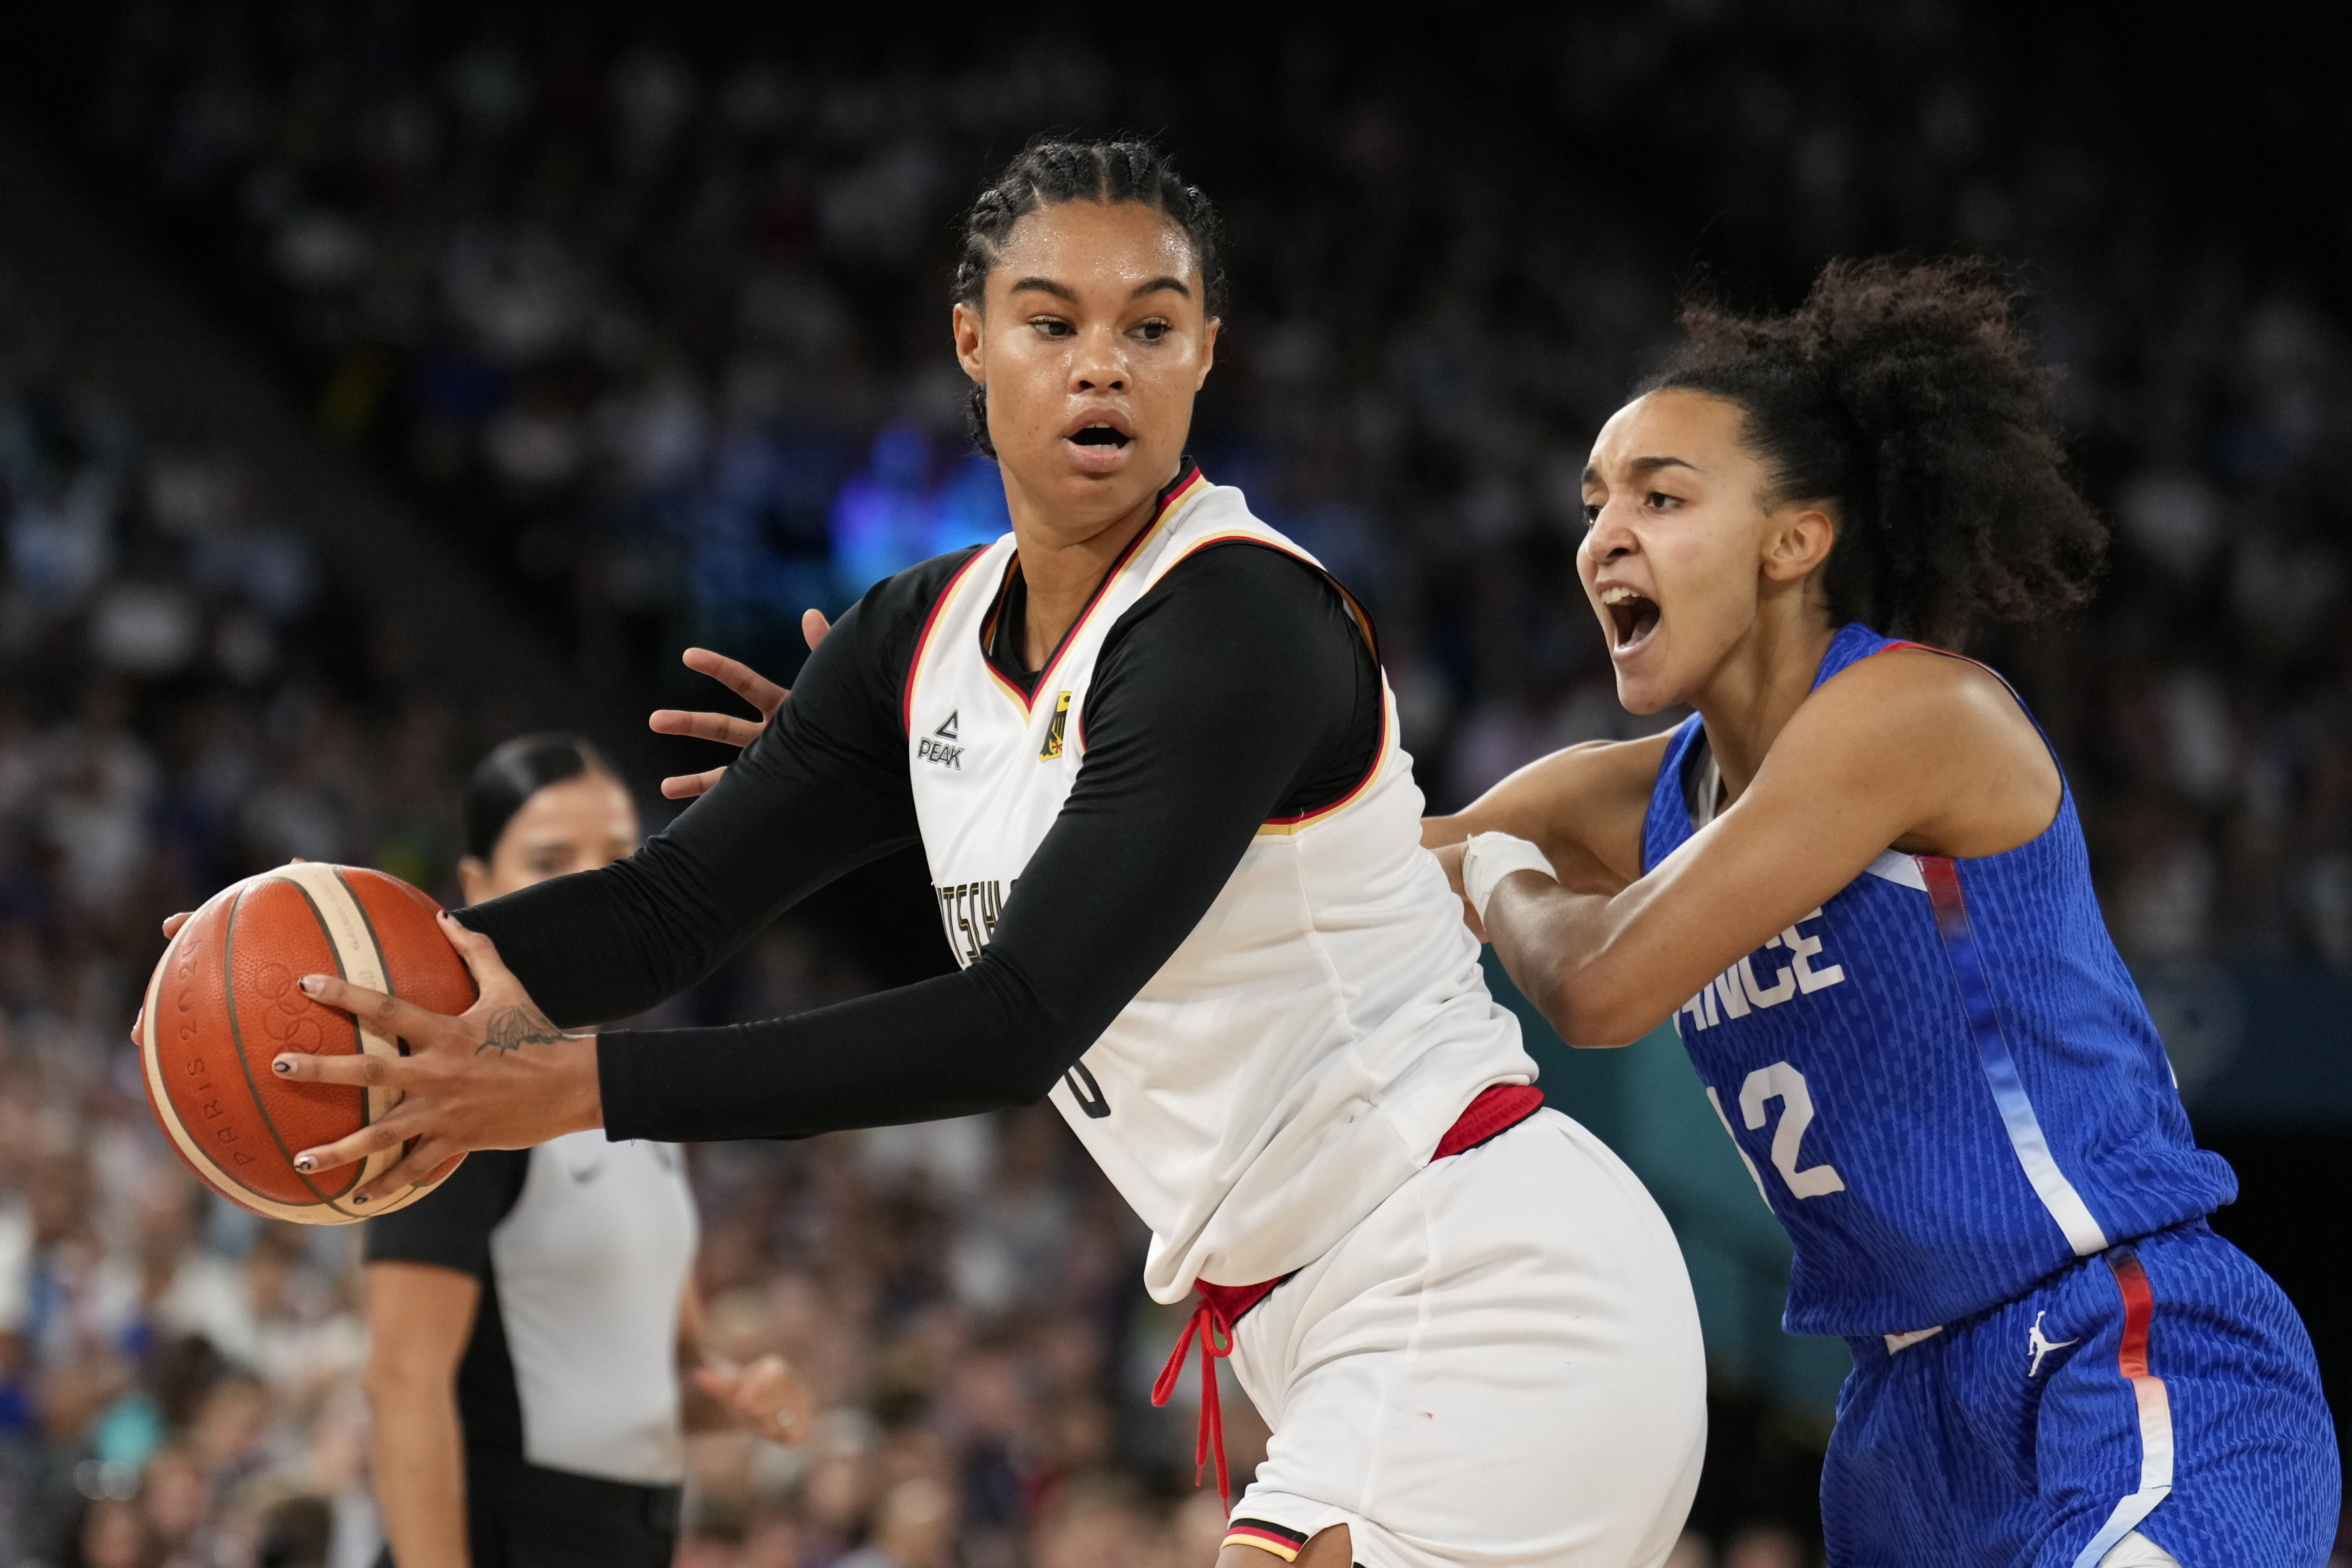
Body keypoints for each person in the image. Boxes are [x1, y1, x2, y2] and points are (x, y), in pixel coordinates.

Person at [262, 141, 1707, 1568]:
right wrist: (370, 976)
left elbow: (1015, 1022)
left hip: (1478, 1271)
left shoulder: (1238, 621)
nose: (1103, 365)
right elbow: (671, 906)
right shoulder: (918, 639)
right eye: (1051, 322)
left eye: (1149, 325)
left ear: (1205, 353)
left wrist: (568, 1086)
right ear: (972, 342)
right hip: (1329, 1314)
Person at [1421, 259, 2339, 1566]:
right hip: (1897, 1431)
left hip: (2115, 1344)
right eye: (1592, 503)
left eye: (1659, 495)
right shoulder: (1624, 798)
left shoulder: (1914, 714)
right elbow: (1335, 881)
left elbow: (1596, 983)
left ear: (1795, 539)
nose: (1601, 535)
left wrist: (1500, 867)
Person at [360, 734, 811, 1568]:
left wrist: (736, 1390)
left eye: (616, 859)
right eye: (550, 856)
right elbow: (403, 1380)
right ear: (478, 888)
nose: (589, 884)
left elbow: (657, 1365)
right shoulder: (460, 1096)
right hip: (504, 1531)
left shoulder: (631, 1095)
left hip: (629, 1534)